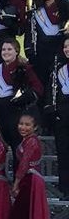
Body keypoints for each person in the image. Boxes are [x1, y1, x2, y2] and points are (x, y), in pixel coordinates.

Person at [0, 38, 43, 150]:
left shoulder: (25, 68)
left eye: (9, 49)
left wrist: (24, 97)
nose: (6, 52)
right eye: (3, 49)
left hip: (17, 116)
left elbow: (38, 89)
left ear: (17, 51)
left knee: (18, 152)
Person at [27, 0, 67, 96]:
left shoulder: (64, 7)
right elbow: (30, 32)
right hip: (42, 51)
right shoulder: (36, 11)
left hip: (59, 48)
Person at [9, 113, 50, 219]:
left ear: (35, 127)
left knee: (24, 211)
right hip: (28, 178)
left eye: (27, 125)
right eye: (21, 124)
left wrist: (15, 184)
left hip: (31, 180)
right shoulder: (27, 140)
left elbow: (24, 163)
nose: (23, 127)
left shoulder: (31, 141)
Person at [54, 37, 69, 198]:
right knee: (63, 153)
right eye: (65, 46)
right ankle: (65, 189)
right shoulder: (59, 69)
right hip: (63, 117)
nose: (67, 49)